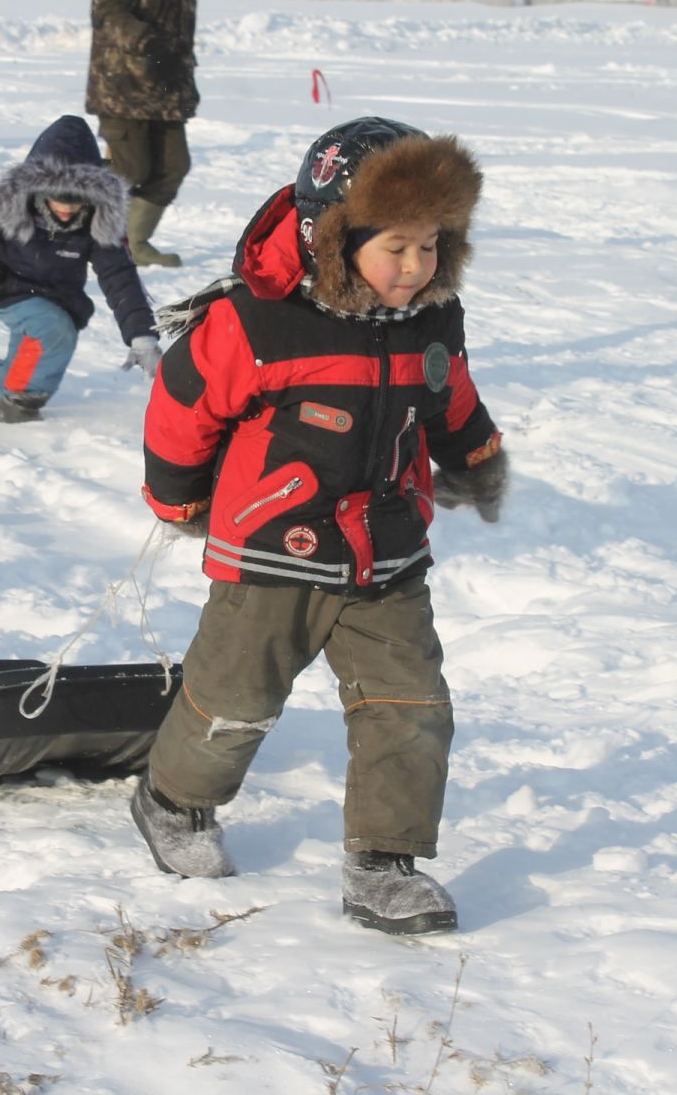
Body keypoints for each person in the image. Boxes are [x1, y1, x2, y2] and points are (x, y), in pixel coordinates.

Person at [133, 117, 509, 936]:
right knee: (235, 699)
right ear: (333, 237)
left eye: (432, 245)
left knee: (410, 707)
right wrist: (176, 497)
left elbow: (448, 399)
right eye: (395, 248)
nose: (416, 268)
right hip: (271, 547)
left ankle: (384, 861)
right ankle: (172, 801)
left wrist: (477, 458)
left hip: (388, 552)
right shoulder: (254, 324)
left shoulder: (431, 319)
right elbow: (182, 409)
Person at [0, 115, 159, 423]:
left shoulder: (98, 225)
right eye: (57, 199)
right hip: (6, 284)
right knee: (53, 330)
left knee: (24, 362)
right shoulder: (9, 205)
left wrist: (141, 336)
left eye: (76, 201)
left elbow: (120, 277)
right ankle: (23, 399)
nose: (66, 208)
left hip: (58, 295)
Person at [87, 0, 207, 268]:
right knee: (129, 167)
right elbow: (107, 8)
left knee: (174, 166)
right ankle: (65, 208)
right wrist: (145, 43)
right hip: (124, 84)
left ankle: (135, 243)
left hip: (166, 86)